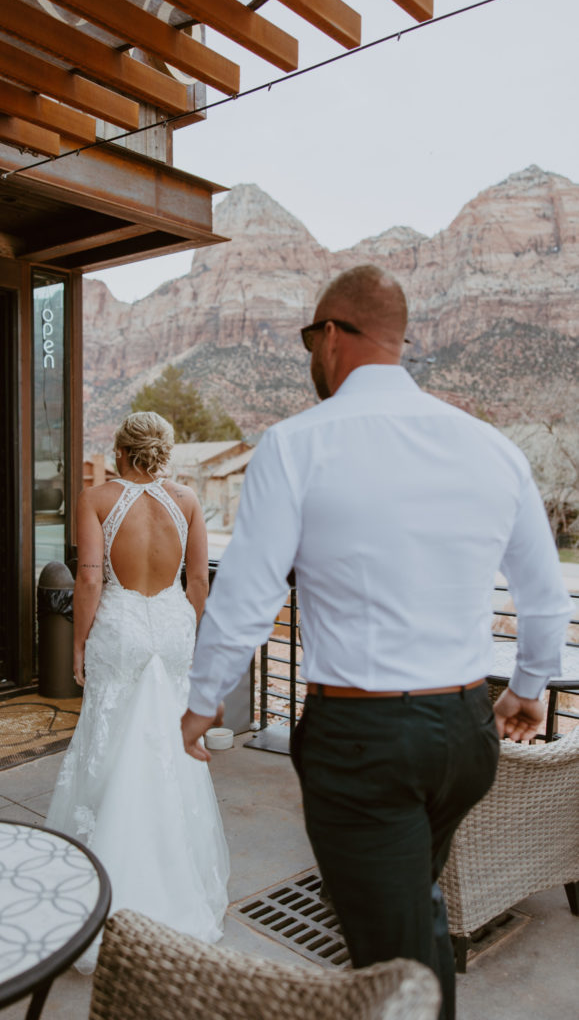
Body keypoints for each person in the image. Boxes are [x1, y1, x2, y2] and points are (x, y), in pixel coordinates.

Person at [181, 266, 572, 1019]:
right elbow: (544, 596)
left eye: (307, 338)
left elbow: (246, 598)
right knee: (404, 905)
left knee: (392, 965)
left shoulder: (295, 444)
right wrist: (526, 689)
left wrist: (202, 700)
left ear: (330, 336)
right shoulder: (490, 448)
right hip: (464, 735)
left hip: (362, 741)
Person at [46, 411, 229, 973]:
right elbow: (198, 582)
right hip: (172, 626)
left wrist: (78, 643)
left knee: (109, 738)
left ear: (121, 451)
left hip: (122, 629)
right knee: (170, 746)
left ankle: (104, 883)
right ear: (162, 452)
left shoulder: (97, 499)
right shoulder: (188, 501)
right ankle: (175, 879)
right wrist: (193, 642)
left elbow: (90, 578)